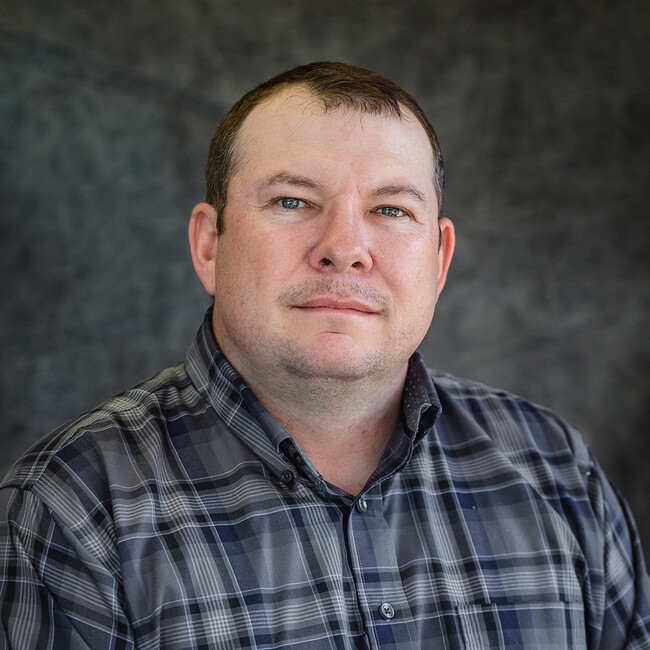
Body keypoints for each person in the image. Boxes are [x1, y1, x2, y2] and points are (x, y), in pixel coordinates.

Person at [1, 61, 648, 650]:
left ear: (441, 259)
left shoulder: (558, 472)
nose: (345, 247)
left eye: (390, 209)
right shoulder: (70, 512)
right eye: (292, 201)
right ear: (208, 245)